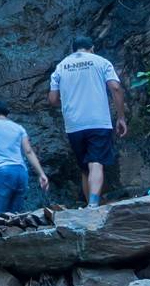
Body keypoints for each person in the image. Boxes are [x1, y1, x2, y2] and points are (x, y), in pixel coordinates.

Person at [48, 33, 127, 206]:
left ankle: (89, 207)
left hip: (73, 124)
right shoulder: (101, 62)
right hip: (97, 120)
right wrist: (121, 117)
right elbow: (115, 87)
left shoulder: (61, 67)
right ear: (92, 48)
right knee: (96, 162)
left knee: (85, 168)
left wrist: (70, 100)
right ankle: (93, 204)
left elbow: (53, 99)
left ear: (73, 50)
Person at [0, 100, 49, 215]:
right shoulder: (19, 128)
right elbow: (28, 151)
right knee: (15, 218)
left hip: (4, 172)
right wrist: (41, 174)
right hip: (22, 174)